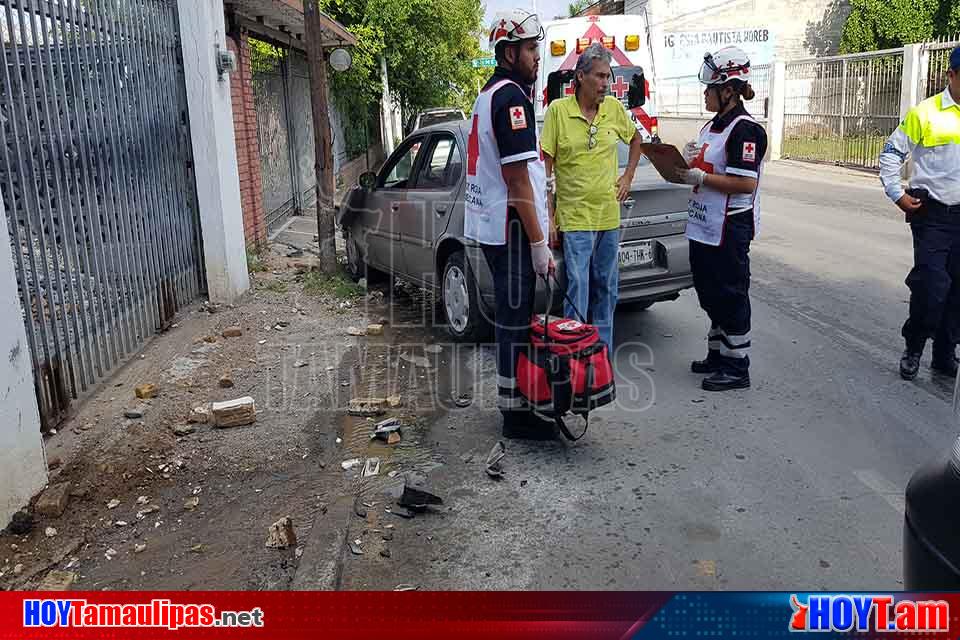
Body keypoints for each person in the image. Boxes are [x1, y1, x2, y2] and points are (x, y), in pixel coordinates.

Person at [464, 9, 555, 439]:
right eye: (532, 48)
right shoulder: (511, 99)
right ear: (509, 52)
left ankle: (513, 402)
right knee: (515, 321)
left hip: (495, 226)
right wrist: (539, 243)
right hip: (511, 228)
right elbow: (517, 178)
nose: (538, 56)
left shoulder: (489, 95)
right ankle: (516, 415)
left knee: (511, 319)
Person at [540, 43, 645, 353]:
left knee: (607, 289)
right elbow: (544, 169)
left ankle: (601, 357)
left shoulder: (613, 109)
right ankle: (575, 357)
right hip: (575, 218)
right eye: (599, 76)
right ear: (581, 77)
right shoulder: (558, 112)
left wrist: (627, 177)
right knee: (578, 290)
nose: (605, 83)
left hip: (608, 217)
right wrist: (548, 215)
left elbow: (638, 139)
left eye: (608, 77)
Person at [676, 46, 767, 392]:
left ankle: (736, 364)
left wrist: (700, 178)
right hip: (705, 223)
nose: (705, 93)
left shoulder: (746, 131)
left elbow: (745, 182)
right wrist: (684, 162)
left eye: (710, 88)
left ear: (728, 90)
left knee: (730, 292)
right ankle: (717, 353)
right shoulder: (713, 125)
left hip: (730, 225)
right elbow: (706, 165)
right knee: (709, 290)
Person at [879, 47, 960, 381]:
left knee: (958, 291)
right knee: (931, 287)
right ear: (951, 75)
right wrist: (897, 193)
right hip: (934, 216)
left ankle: (944, 354)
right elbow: (890, 154)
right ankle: (914, 345)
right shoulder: (926, 113)